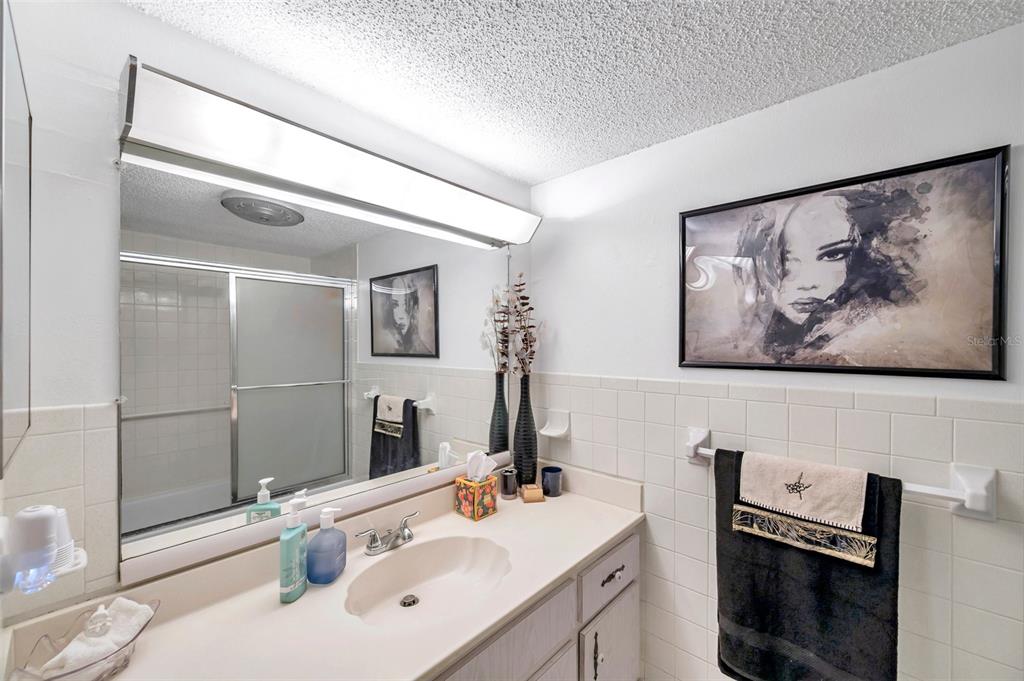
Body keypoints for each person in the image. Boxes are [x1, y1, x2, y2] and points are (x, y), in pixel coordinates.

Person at [734, 183, 925, 362]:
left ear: (867, 255)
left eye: (833, 255)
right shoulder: (761, 342)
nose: (806, 282)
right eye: (787, 260)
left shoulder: (878, 338)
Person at [381, 274, 432, 354]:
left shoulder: (423, 349)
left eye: (406, 304)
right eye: (395, 305)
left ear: (414, 307)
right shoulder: (389, 343)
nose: (400, 316)